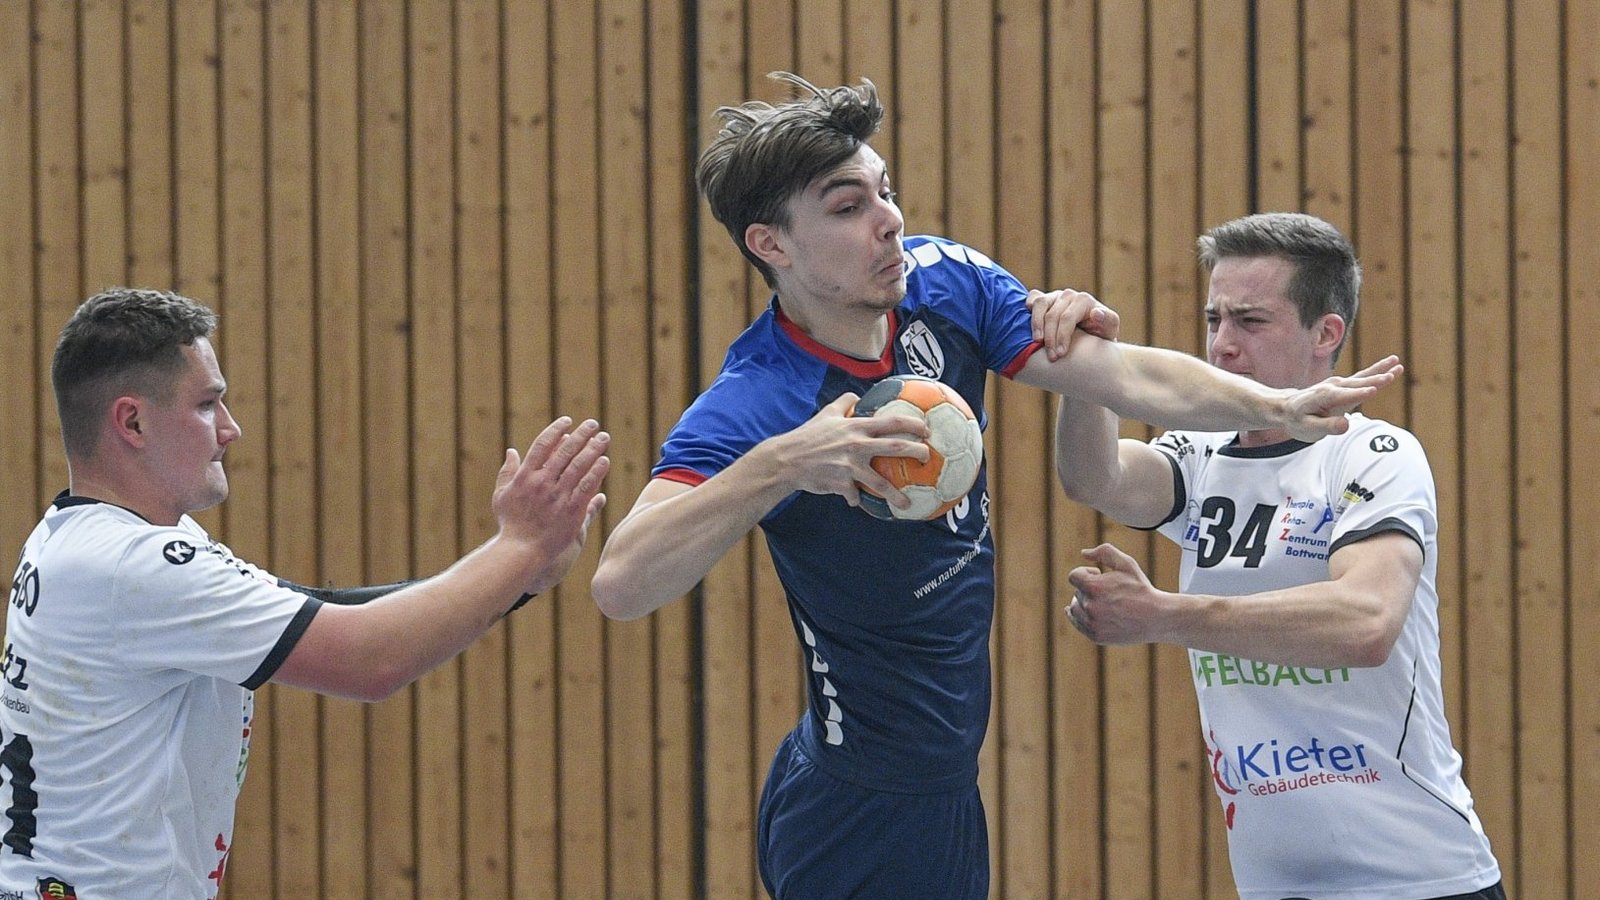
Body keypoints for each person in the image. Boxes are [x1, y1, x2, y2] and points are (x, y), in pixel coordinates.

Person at [589, 73, 1397, 899]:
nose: (888, 220)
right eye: (847, 207)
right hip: (858, 803)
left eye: (885, 190)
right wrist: (783, 462)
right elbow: (621, 581)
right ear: (772, 246)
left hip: (941, 780)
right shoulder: (761, 398)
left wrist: (1277, 404)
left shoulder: (942, 282)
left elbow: (1126, 378)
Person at [0, 287, 609, 898]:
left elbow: (323, 614)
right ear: (132, 421)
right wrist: (517, 549)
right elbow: (369, 659)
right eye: (208, 405)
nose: (231, 430)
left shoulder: (83, 539)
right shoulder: (131, 564)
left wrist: (518, 576)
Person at [1051, 212, 1503, 899]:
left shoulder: (1372, 455)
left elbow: (1366, 623)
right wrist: (1086, 362)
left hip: (1417, 879)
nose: (1222, 346)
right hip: (1276, 885)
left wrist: (1168, 615)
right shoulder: (1199, 453)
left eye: (1251, 322)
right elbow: (1095, 478)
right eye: (1214, 320)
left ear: (1327, 334)